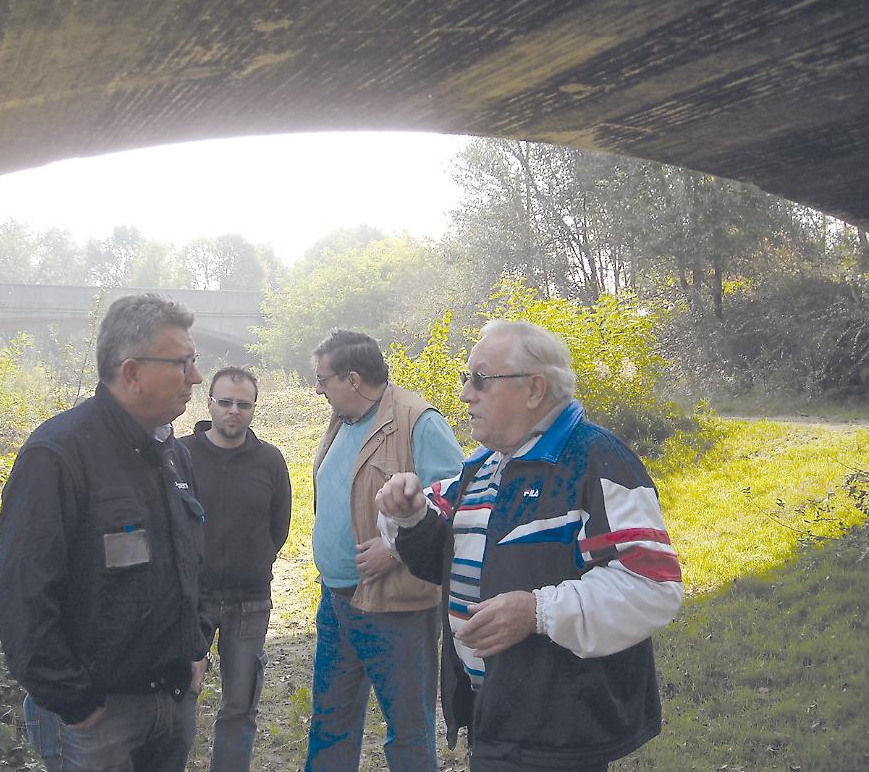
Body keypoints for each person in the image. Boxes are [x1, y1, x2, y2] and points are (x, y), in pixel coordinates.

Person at [376, 319, 684, 771]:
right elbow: (445, 564)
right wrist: (410, 517)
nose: (465, 394)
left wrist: (538, 612)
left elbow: (653, 586)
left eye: (479, 380)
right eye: (466, 379)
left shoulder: (597, 458)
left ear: (534, 389)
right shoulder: (481, 468)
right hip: (495, 718)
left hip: (558, 734)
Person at [0, 293, 210, 772]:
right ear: (131, 373)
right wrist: (77, 704)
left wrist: (197, 650)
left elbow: (192, 560)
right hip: (96, 719)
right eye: (183, 363)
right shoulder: (58, 455)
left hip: (172, 702)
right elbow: (22, 598)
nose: (196, 377)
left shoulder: (173, 453)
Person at [304, 329, 464, 772]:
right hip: (335, 601)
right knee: (330, 723)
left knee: (408, 732)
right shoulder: (344, 417)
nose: (318, 389)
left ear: (352, 379)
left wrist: (395, 548)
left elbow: (456, 500)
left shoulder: (418, 420)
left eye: (323, 379)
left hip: (396, 609)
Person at [180, 367, 292, 772]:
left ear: (254, 409)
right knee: (178, 700)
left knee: (239, 706)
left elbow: (279, 526)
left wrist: (256, 561)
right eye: (225, 402)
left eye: (244, 404)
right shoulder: (180, 455)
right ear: (208, 403)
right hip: (190, 599)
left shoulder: (270, 460)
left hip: (250, 600)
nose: (234, 411)